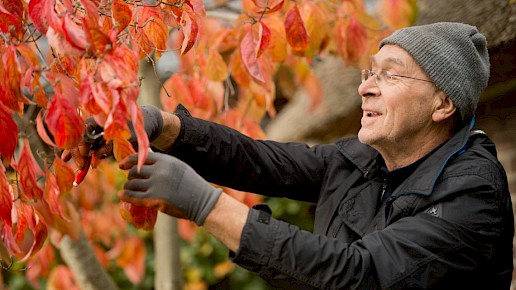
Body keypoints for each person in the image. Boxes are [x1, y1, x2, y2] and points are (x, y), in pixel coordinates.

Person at [64, 22, 514, 289]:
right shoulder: (362, 158)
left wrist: (207, 206)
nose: (364, 87)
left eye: (390, 77)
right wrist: (161, 125)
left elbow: (360, 275)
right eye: (368, 73)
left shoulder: (472, 193)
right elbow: (259, 161)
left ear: (443, 105)